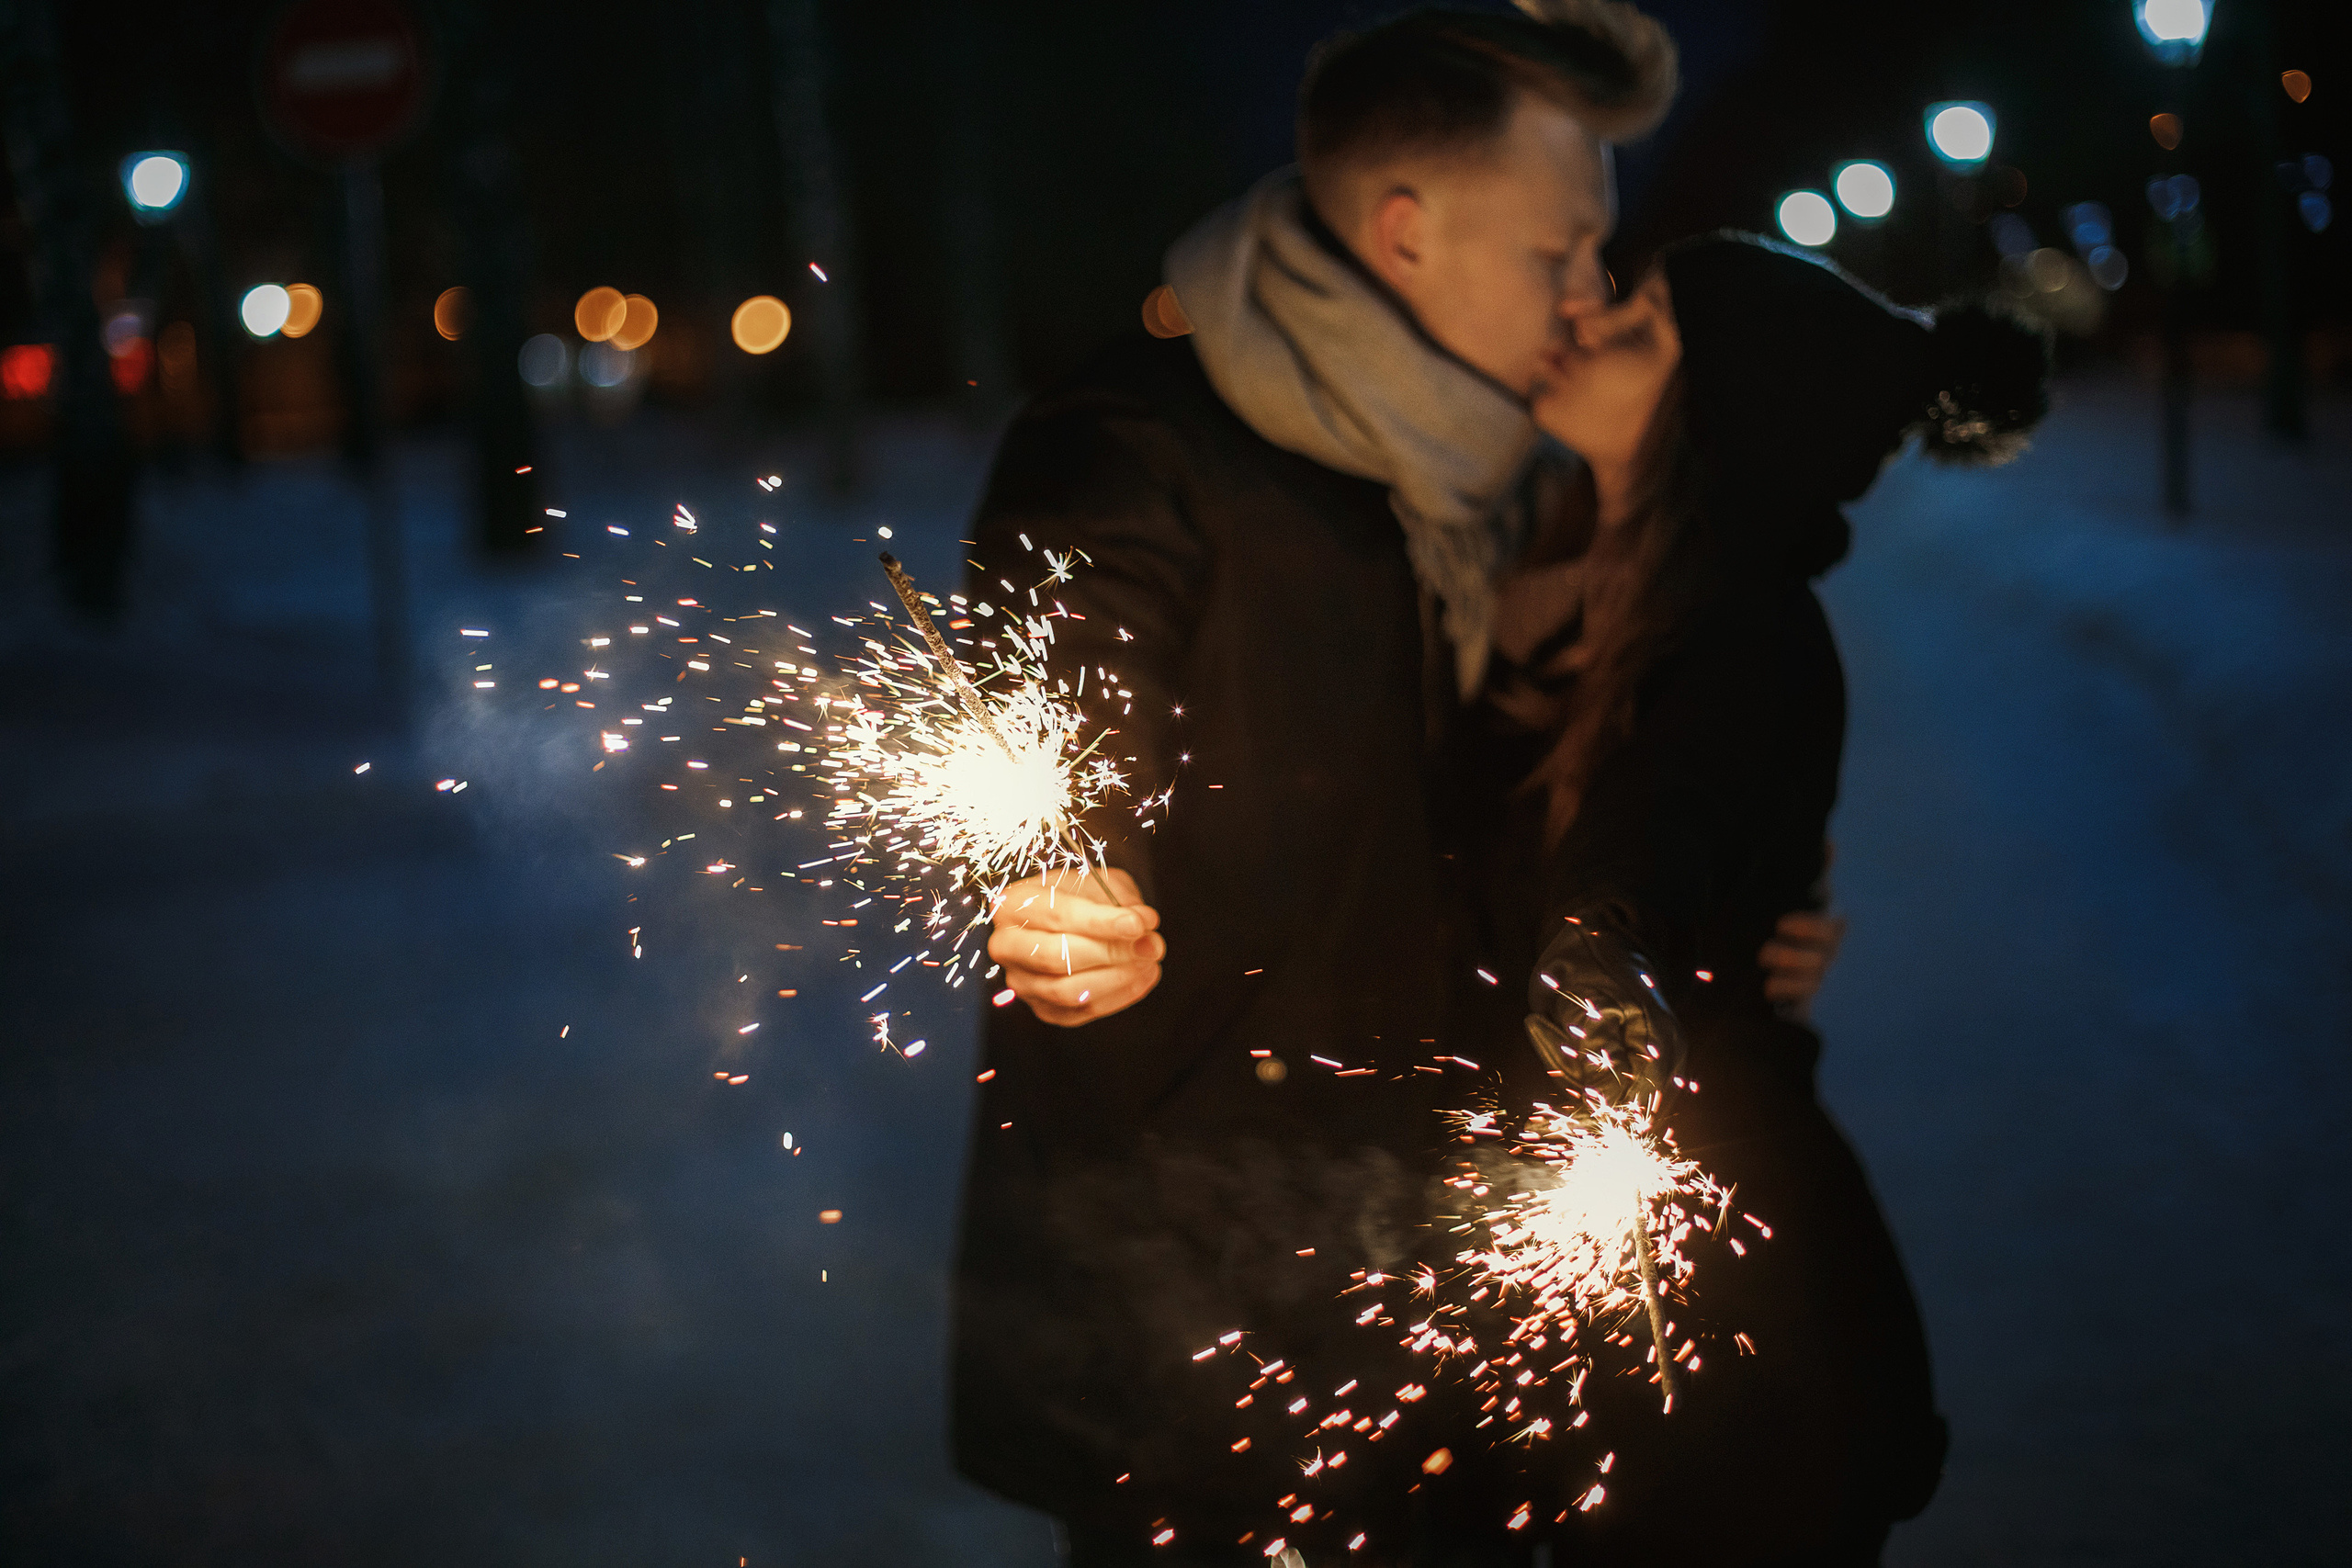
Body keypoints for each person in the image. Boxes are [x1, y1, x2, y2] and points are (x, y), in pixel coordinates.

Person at [945, 6, 1889, 1563]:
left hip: (1441, 1311)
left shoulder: (1500, 483)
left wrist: (1724, 925)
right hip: (1206, 1347)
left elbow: (1531, 814)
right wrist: (1065, 890)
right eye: (1559, 249)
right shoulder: (1136, 446)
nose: (1590, 293)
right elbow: (1056, 704)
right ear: (1405, 231)